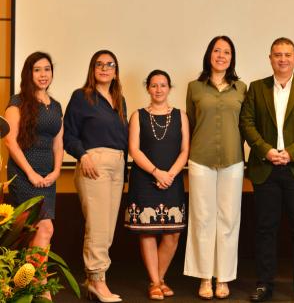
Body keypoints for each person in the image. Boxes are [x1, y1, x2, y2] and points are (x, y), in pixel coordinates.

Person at [240, 37, 294, 303]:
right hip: (266, 168)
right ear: (270, 58)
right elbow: (247, 123)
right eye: (278, 55)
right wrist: (266, 150)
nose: (283, 59)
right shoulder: (256, 88)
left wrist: (293, 152)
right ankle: (265, 284)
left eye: (288, 55)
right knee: (265, 229)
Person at [183, 35, 247, 300]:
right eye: (217, 51)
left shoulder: (241, 88)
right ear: (209, 54)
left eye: (227, 52)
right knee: (202, 219)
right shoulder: (195, 88)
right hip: (200, 159)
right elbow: (190, 122)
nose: (221, 55)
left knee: (228, 219)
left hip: (233, 160)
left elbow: (245, 125)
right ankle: (204, 277)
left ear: (232, 58)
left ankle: (223, 278)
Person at [64, 50, 128, 303]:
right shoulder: (81, 97)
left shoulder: (118, 99)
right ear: (92, 69)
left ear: (115, 70)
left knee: (108, 228)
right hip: (94, 163)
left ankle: (94, 279)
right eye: (99, 64)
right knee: (98, 227)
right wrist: (83, 156)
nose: (104, 68)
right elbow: (69, 134)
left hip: (118, 164)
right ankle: (97, 281)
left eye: (109, 64)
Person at [124, 70, 189, 300]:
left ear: (169, 88)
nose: (159, 89)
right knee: (148, 233)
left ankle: (158, 278)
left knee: (173, 234)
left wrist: (169, 174)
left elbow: (185, 150)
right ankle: (155, 282)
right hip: (145, 179)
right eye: (154, 85)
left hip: (172, 180)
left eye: (163, 85)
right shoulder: (138, 115)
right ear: (148, 88)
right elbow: (134, 150)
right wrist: (156, 172)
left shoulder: (181, 115)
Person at [4, 51, 63, 301]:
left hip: (48, 179)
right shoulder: (17, 102)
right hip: (24, 175)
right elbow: (9, 141)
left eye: (47, 69)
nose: (43, 74)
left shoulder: (56, 105)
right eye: (37, 69)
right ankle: (39, 284)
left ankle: (29, 284)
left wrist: (56, 171)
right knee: (43, 227)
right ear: (29, 73)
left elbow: (58, 144)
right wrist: (31, 173)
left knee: (42, 231)